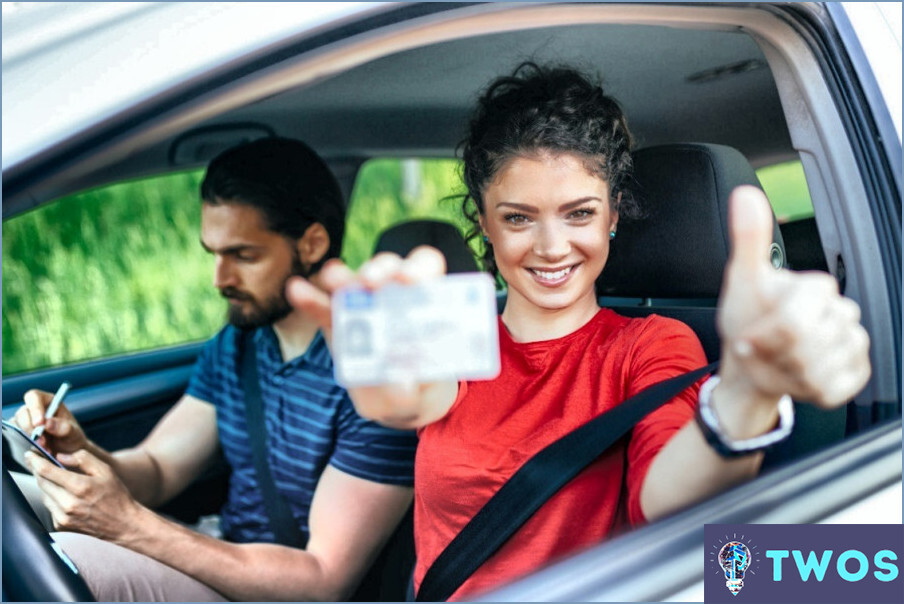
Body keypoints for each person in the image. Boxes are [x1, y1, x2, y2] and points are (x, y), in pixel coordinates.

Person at [287, 63, 872, 600]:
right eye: (518, 217)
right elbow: (414, 393)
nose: (550, 248)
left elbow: (666, 502)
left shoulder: (651, 344)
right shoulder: (455, 336)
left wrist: (747, 394)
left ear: (613, 214)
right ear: (484, 221)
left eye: (579, 214)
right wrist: (386, 377)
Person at [14, 137, 418, 601]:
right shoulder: (237, 344)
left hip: (281, 592)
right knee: (23, 498)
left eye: (243, 256)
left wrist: (129, 525)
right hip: (219, 549)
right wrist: (80, 449)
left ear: (312, 244)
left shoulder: (377, 379)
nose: (220, 279)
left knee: (73, 559)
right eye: (214, 253)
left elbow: (322, 579)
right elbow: (159, 469)